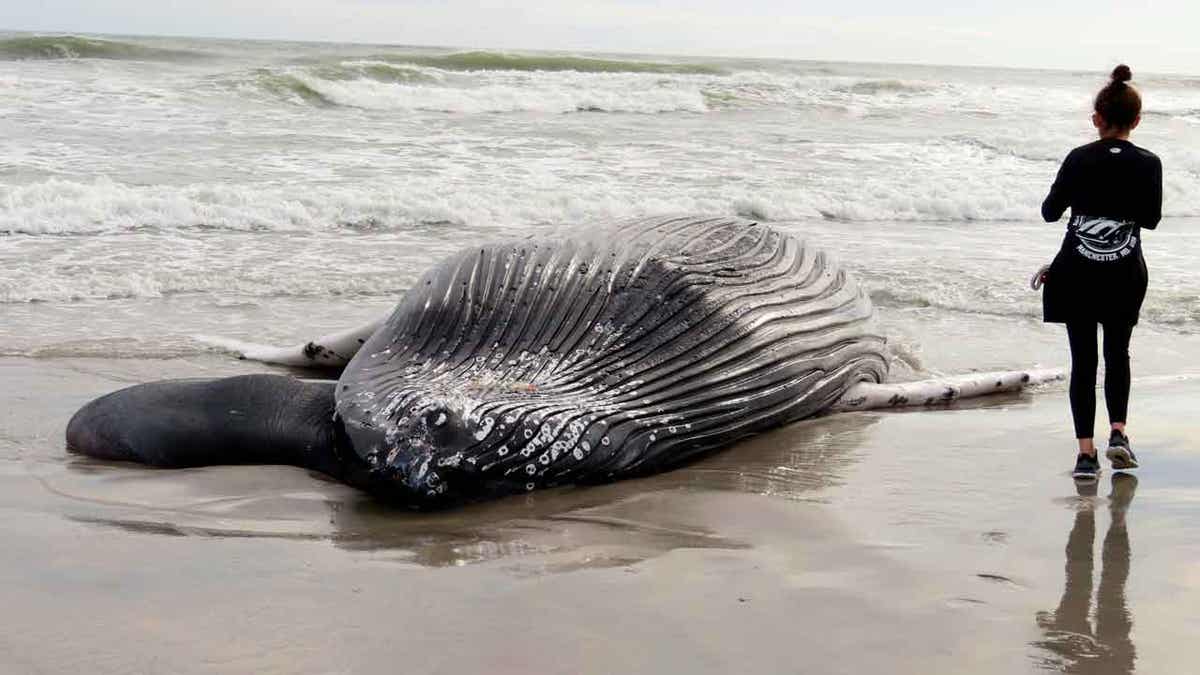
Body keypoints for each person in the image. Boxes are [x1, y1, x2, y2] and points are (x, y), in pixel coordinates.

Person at [1040, 64, 1162, 480]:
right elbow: (1150, 219)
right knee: (1118, 353)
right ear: (1136, 120)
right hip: (1125, 274)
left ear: (1097, 119)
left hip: (1076, 272)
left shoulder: (1078, 158)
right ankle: (1119, 434)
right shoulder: (1150, 163)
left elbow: (1049, 212)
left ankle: (1085, 456)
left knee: (1083, 361)